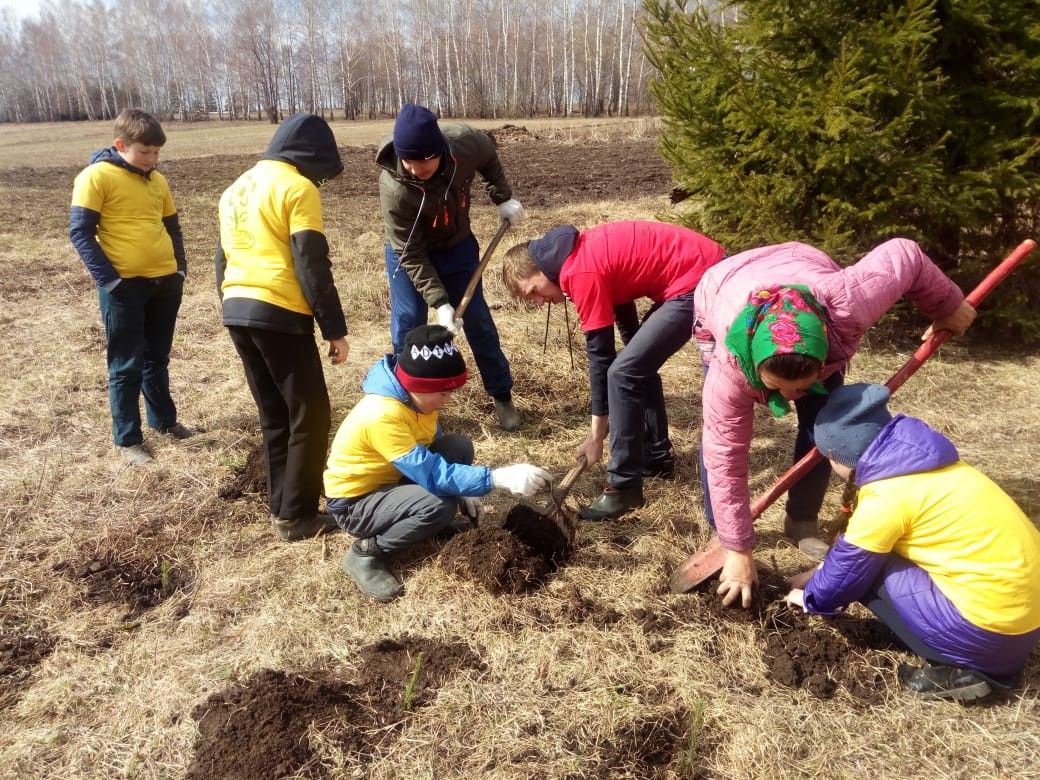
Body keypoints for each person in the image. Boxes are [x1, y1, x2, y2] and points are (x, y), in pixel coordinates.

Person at [694, 238, 977, 608]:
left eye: (802, 385)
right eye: (781, 388)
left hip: (800, 263)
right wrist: (739, 548)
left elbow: (904, 255)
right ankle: (726, 538)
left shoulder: (846, 304)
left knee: (820, 425)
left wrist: (947, 306)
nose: (793, 396)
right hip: (721, 286)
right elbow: (725, 455)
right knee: (719, 440)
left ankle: (801, 519)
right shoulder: (729, 369)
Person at [785, 383, 1040, 701]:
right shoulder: (936, 469)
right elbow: (858, 547)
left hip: (987, 640)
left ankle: (962, 670)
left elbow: (846, 575)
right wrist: (818, 571)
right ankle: (965, 649)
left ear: (836, 455)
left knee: (869, 571)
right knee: (871, 554)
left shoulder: (886, 498)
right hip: (1023, 624)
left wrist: (809, 598)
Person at [502, 220, 726, 519]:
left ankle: (623, 487)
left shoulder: (578, 271)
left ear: (540, 268)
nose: (540, 301)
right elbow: (624, 308)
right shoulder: (578, 254)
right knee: (635, 365)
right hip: (704, 267)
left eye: (533, 291)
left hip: (700, 279)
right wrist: (636, 351)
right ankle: (655, 457)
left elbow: (601, 357)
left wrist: (596, 437)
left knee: (622, 373)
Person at [325, 325, 552, 602]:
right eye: (443, 393)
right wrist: (495, 478)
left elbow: (435, 446)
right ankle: (367, 552)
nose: (448, 400)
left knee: (458, 446)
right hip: (356, 503)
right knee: (439, 504)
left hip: (391, 480)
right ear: (417, 385)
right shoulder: (383, 414)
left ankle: (430, 523)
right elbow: (431, 472)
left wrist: (463, 488)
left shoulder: (416, 400)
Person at [216, 113, 349, 542]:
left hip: (237, 307)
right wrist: (334, 328)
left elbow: (221, 260)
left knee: (274, 413)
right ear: (311, 157)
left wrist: (232, 303)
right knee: (311, 413)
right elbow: (310, 262)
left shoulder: (235, 188)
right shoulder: (297, 187)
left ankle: (281, 505)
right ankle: (298, 516)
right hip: (279, 311)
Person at [377, 103, 524, 431]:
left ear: (440, 151)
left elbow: (488, 156)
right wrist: (441, 303)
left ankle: (502, 395)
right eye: (408, 162)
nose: (415, 170)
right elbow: (411, 255)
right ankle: (408, 406)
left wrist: (502, 197)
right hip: (409, 253)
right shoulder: (394, 188)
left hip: (457, 246)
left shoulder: (464, 144)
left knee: (478, 321)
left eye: (423, 161)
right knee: (408, 326)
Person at [69, 108, 194, 466]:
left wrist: (179, 270)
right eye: (145, 152)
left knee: (158, 358)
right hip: (124, 288)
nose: (152, 159)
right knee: (126, 364)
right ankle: (128, 440)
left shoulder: (158, 181)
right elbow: (80, 232)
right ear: (120, 144)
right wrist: (110, 280)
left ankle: (164, 422)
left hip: (165, 284)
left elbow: (172, 228)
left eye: (157, 152)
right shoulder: (95, 177)